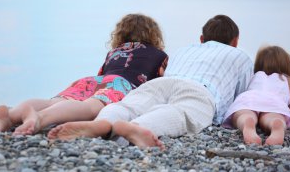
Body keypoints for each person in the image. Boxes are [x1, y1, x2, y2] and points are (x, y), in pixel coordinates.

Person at [47, 14, 254, 150]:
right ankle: (138, 127)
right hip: (200, 90)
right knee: (180, 113)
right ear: (235, 41)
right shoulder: (240, 56)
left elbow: (165, 74)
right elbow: (242, 97)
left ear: (201, 39)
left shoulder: (184, 50)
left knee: (129, 105)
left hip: (163, 83)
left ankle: (103, 124)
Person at [0, 13, 168, 135]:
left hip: (93, 80)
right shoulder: (159, 55)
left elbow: (104, 73)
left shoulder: (114, 52)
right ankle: (41, 119)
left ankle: (10, 116)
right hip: (121, 84)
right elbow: (160, 83)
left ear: (121, 34)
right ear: (153, 35)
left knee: (55, 102)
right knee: (91, 107)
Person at [222, 45, 290, 145]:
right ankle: (276, 123)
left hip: (249, 99)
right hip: (274, 103)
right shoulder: (287, 79)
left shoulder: (253, 76)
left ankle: (247, 122)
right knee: (274, 116)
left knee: (243, 114)